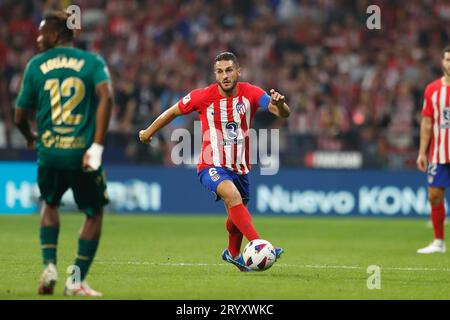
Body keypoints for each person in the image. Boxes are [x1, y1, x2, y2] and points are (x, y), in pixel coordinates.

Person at [139, 52, 290, 271]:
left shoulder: (251, 93)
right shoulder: (202, 96)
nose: (225, 75)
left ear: (238, 71)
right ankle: (260, 245)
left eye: (229, 70)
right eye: (219, 71)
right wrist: (148, 132)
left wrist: (282, 104)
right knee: (232, 196)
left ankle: (232, 253)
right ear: (215, 74)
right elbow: (172, 112)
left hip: (240, 167)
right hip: (211, 165)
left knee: (236, 213)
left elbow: (282, 113)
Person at [14, 11, 113, 295]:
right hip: (82, 154)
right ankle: (75, 279)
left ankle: (49, 265)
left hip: (50, 153)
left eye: (42, 32)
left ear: (57, 35)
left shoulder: (35, 65)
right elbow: (107, 97)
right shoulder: (92, 62)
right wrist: (96, 146)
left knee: (50, 203)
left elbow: (19, 116)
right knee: (93, 214)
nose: (37, 37)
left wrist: (29, 137)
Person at [416, 46, 450, 254]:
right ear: (442, 62)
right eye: (447, 59)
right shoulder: (432, 89)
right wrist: (422, 152)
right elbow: (427, 123)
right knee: (434, 196)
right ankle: (439, 242)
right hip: (439, 153)